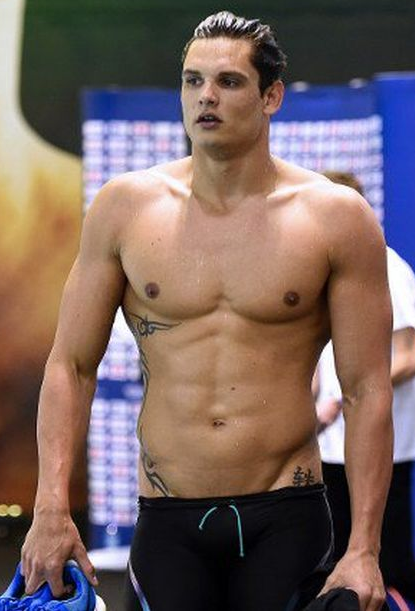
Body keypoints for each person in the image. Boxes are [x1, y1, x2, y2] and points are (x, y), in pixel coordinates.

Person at [21, 11, 393, 611]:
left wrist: (365, 548)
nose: (206, 97)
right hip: (168, 519)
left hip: (286, 515)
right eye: (193, 81)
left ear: (271, 96)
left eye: (229, 81)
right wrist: (49, 509)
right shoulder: (125, 209)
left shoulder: (334, 218)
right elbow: (70, 366)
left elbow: (367, 388)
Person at [317, 173, 415, 604]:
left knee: (387, 566)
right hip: (331, 447)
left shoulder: (387, 266)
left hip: (380, 445)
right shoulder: (322, 269)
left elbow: (408, 355)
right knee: (333, 564)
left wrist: (347, 395)